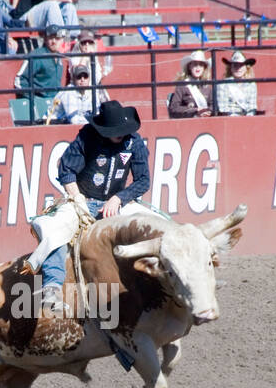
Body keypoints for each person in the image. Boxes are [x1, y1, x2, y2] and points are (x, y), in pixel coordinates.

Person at [35, 100, 150, 314]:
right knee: (56, 229)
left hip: (118, 202)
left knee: (150, 225)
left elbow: (143, 180)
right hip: (83, 199)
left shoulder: (134, 142)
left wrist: (119, 198)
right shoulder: (87, 136)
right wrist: (77, 198)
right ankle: (51, 287)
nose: (121, 135)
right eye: (116, 132)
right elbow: (66, 170)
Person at [18, 25, 69, 107]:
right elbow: (20, 79)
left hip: (55, 102)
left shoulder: (60, 57)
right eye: (51, 38)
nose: (54, 41)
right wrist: (33, 98)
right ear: (45, 39)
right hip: (40, 102)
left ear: (62, 40)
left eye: (57, 38)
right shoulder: (37, 55)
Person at [167, 49, 213, 118]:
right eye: (195, 64)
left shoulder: (207, 87)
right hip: (188, 122)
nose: (198, 67)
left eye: (200, 65)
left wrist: (207, 111)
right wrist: (195, 110)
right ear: (189, 67)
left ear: (204, 68)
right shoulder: (182, 86)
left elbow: (213, 105)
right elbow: (174, 108)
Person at [216, 49, 258, 115]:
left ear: (246, 67)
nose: (238, 68)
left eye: (241, 65)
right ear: (231, 68)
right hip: (229, 119)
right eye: (235, 65)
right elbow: (223, 108)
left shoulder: (251, 84)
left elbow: (252, 106)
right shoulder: (223, 85)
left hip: (247, 119)